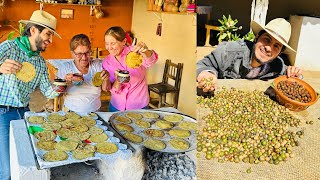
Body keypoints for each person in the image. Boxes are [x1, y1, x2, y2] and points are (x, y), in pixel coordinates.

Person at [0, 10, 64, 180]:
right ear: (34, 30)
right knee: (6, 170)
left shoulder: (40, 62)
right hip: (3, 113)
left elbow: (47, 91)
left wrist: (62, 85)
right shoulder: (8, 48)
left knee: (23, 162)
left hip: (25, 114)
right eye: (48, 34)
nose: (50, 40)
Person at [196, 18, 303, 92]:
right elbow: (202, 65)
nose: (268, 48)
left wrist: (296, 75)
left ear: (279, 53)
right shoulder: (229, 51)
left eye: (276, 46)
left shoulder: (277, 65)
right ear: (256, 38)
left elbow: (289, 75)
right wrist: (207, 73)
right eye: (266, 39)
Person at [102, 26, 158, 112]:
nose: (109, 47)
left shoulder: (134, 51)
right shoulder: (107, 62)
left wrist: (146, 51)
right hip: (117, 106)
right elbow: (113, 89)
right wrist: (118, 80)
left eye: (112, 43)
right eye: (106, 43)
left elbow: (151, 61)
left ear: (124, 41)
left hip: (139, 104)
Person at [56, 34, 109, 113]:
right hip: (71, 112)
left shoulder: (97, 66)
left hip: (95, 112)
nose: (84, 58)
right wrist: (63, 83)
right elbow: (57, 95)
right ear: (72, 53)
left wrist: (106, 78)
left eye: (87, 53)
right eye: (79, 54)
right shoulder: (65, 68)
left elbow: (106, 89)